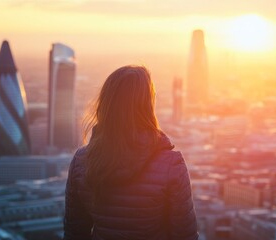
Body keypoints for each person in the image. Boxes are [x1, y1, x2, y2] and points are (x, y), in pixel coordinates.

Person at [63, 65, 198, 240]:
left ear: (106, 104)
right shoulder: (171, 164)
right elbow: (184, 236)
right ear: (148, 105)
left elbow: (74, 234)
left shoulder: (82, 161)